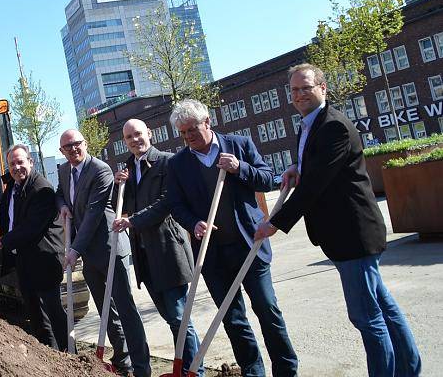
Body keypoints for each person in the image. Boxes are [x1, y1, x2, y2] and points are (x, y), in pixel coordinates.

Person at [256, 63, 421, 377]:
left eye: (306, 88)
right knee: (382, 306)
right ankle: (409, 369)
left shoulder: (333, 126)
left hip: (353, 234)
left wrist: (274, 223)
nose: (300, 94)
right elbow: (318, 166)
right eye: (294, 90)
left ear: (323, 88)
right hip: (343, 233)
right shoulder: (310, 124)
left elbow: (315, 185)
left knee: (366, 317)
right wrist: (296, 167)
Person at [166, 99, 297, 377]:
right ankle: (253, 372)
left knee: (267, 310)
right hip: (212, 255)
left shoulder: (239, 145)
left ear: (207, 122)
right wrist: (194, 223)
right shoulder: (178, 164)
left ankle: (286, 370)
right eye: (183, 133)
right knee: (233, 319)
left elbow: (267, 179)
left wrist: (240, 168)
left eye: (192, 129)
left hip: (250, 244)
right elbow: (176, 205)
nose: (188, 137)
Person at [112, 119, 203, 377]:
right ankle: (185, 369)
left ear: (149, 134)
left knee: (179, 318)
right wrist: (117, 187)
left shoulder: (167, 162)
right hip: (144, 255)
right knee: (170, 318)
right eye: (129, 137)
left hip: (167, 250)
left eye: (138, 134)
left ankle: (194, 371)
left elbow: (166, 203)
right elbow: (120, 206)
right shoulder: (129, 168)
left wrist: (133, 221)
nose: (135, 140)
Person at [56, 129, 150, 377]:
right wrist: (63, 206)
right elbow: (59, 194)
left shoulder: (100, 170)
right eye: (67, 147)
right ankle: (122, 360)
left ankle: (141, 367)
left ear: (85, 143)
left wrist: (74, 249)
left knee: (125, 308)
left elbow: (93, 214)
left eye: (77, 144)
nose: (73, 149)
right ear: (62, 151)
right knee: (106, 310)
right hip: (89, 253)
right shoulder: (64, 171)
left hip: (110, 249)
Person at [0, 144, 68, 350]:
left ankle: (68, 355)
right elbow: (13, 206)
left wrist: (2, 242)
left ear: (31, 162)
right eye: (12, 164)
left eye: (20, 162)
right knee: (36, 316)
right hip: (25, 260)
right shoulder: (14, 185)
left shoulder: (41, 189)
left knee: (52, 313)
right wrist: (1, 204)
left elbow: (30, 227)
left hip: (44, 260)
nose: (16, 167)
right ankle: (49, 355)